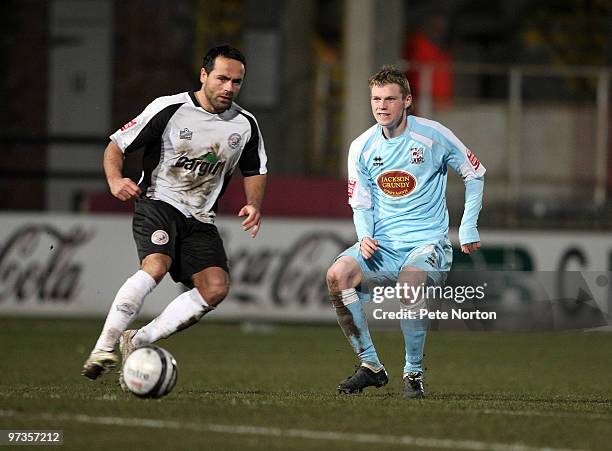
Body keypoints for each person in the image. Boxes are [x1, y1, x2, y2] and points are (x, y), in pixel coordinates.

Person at [82, 45, 267, 389]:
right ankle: (103, 348)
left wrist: (253, 203)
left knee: (215, 289)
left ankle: (137, 340)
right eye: (222, 78)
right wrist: (114, 179)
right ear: (204, 75)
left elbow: (255, 168)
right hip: (158, 202)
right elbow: (116, 146)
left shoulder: (245, 124)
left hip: (201, 218)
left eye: (237, 82)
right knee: (155, 266)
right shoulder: (169, 108)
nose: (229, 87)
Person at [326, 66, 484, 399]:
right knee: (337, 276)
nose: (381, 106)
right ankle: (370, 366)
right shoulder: (362, 146)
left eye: (390, 99)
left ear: (407, 101)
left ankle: (413, 373)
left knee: (410, 283)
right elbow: (361, 201)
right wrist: (364, 234)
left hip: (428, 246)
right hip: (383, 246)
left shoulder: (433, 135)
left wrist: (467, 225)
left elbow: (475, 173)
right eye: (376, 99)